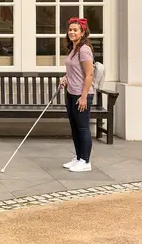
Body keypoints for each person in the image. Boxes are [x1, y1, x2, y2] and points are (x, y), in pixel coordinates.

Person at [59, 17, 95, 173]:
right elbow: (74, 71)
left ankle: (85, 161)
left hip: (82, 95)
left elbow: (89, 74)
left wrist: (83, 96)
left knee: (82, 128)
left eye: (75, 30)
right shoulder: (73, 49)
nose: (72, 32)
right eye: (70, 30)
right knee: (74, 128)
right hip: (71, 92)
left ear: (82, 32)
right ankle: (78, 157)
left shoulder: (84, 49)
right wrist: (65, 78)